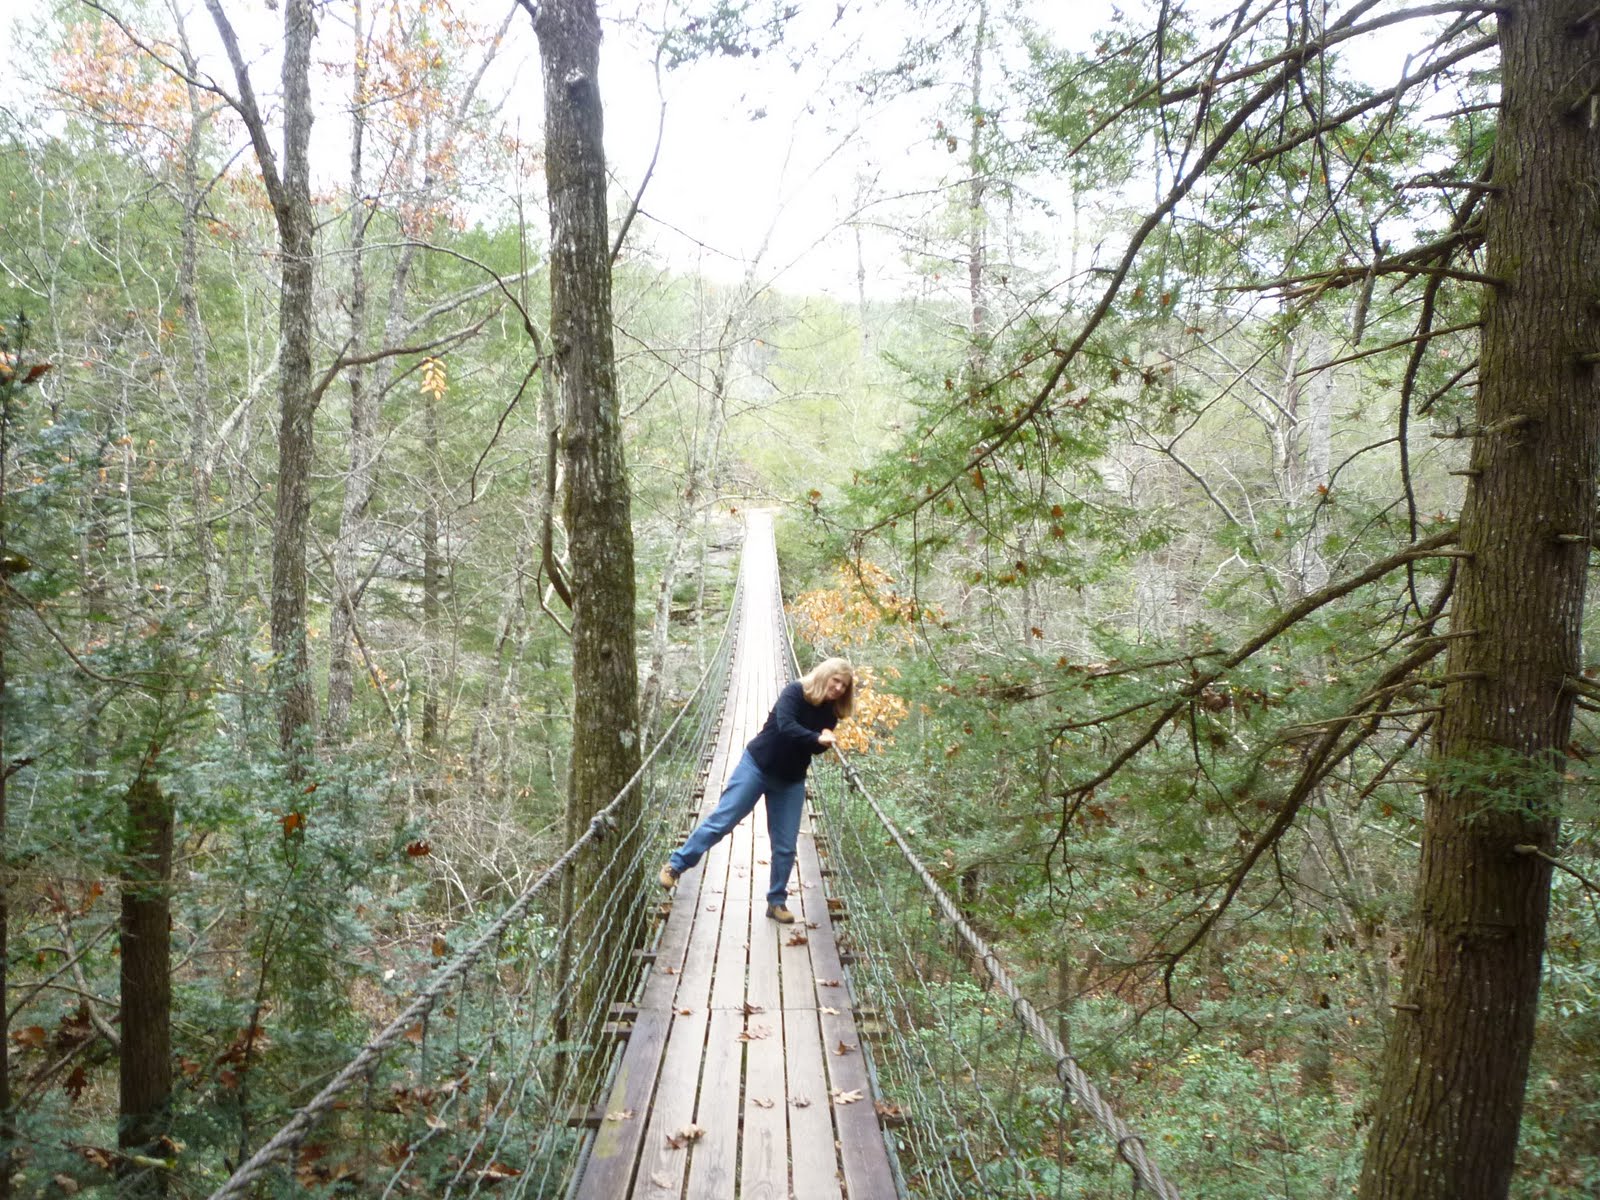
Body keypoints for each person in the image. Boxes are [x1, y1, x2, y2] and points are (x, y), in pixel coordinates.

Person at [659, 657, 855, 924]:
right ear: (825, 676)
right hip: (757, 766)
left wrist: (823, 741)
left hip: (790, 779)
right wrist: (816, 737)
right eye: (836, 681)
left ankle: (776, 902)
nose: (839, 689)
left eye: (844, 686)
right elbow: (787, 727)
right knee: (723, 820)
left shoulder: (831, 711)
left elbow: (815, 747)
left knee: (785, 846)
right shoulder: (795, 692)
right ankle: (675, 865)